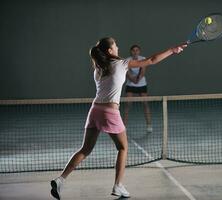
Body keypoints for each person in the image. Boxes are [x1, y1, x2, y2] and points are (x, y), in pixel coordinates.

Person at [50, 37, 187, 199]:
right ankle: (118, 186)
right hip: (110, 112)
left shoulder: (98, 69)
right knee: (123, 147)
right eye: (115, 45)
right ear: (109, 51)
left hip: (95, 111)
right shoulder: (121, 64)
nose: (118, 47)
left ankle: (61, 179)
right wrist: (172, 50)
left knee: (85, 149)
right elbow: (151, 60)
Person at [124, 44, 153, 133]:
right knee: (128, 105)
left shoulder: (143, 59)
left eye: (137, 50)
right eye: (133, 50)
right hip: (130, 85)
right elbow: (127, 73)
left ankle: (149, 125)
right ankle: (123, 126)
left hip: (142, 85)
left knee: (145, 104)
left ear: (139, 51)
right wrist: (133, 80)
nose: (135, 52)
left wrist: (138, 79)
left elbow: (143, 71)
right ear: (131, 52)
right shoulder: (127, 60)